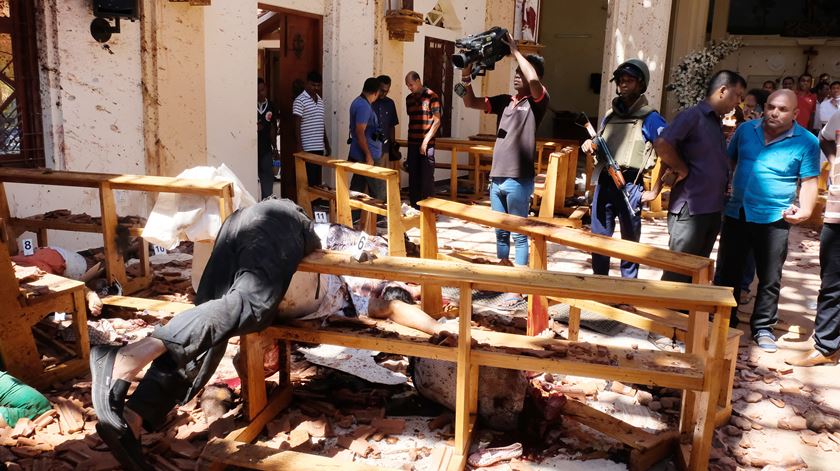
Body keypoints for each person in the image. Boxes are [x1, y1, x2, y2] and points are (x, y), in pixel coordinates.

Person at [89, 198, 321, 470]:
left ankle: (134, 415)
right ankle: (127, 357)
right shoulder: (304, 229)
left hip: (237, 224)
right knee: (253, 305)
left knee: (207, 340)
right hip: (280, 218)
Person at [717, 90, 821, 353]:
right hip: (737, 211)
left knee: (769, 276)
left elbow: (809, 181)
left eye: (783, 109)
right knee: (728, 270)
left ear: (796, 114)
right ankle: (722, 320)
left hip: (775, 216)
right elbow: (729, 161)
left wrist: (807, 210)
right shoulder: (745, 130)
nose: (775, 112)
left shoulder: (807, 142)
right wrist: (723, 185)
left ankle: (763, 327)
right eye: (771, 107)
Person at [459, 32, 549, 269]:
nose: (517, 77)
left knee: (519, 233)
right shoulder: (504, 101)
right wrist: (466, 74)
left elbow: (535, 83)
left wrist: (515, 52)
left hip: (518, 180)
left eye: (521, 73)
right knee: (500, 232)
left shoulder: (537, 102)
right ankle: (503, 272)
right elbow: (470, 102)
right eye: (515, 74)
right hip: (497, 178)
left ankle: (519, 283)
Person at [653, 70, 746, 282]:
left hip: (711, 208)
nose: (739, 102)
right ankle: (667, 312)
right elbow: (662, 143)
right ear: (723, 91)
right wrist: (681, 168)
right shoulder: (692, 116)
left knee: (697, 271)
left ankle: (686, 312)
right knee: (678, 271)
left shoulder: (716, 121)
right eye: (737, 95)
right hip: (691, 209)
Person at [581, 59, 666, 279]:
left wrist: (655, 191)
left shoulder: (650, 118)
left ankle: (628, 293)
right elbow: (600, 141)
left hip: (630, 184)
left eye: (630, 80)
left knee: (629, 245)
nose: (624, 84)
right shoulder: (610, 115)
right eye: (621, 81)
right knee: (599, 240)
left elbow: (669, 152)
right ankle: (599, 288)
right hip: (604, 181)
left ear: (641, 85)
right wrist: (590, 145)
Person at [786, 110, 840, 366]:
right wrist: (836, 159)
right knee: (832, 282)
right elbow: (826, 137)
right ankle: (827, 347)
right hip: (837, 211)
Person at [11, 246, 104, 316]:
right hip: (53, 255)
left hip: (68, 263)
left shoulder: (39, 270)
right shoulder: (16, 264)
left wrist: (90, 294)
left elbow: (67, 284)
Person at [404, 71, 442, 207]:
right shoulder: (409, 99)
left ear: (418, 81)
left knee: (426, 177)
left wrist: (425, 141)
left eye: (411, 84)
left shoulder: (432, 96)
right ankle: (415, 207)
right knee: (413, 176)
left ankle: (429, 208)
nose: (410, 87)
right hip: (412, 143)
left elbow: (437, 121)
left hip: (428, 143)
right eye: (407, 85)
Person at [347, 77, 386, 202]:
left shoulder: (358, 102)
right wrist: (368, 155)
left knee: (357, 189)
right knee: (379, 190)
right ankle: (380, 218)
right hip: (368, 155)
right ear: (375, 93)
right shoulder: (364, 106)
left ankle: (353, 215)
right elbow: (360, 132)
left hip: (361, 153)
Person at [293, 71, 331, 187]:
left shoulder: (320, 100)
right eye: (313, 85)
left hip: (319, 147)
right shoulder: (299, 100)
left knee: (316, 181)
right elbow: (296, 125)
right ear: (307, 84)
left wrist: (326, 143)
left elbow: (320, 122)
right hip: (307, 148)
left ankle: (315, 204)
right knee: (307, 180)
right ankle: (306, 204)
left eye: (318, 85)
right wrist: (300, 146)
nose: (316, 88)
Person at [257, 78, 279, 200]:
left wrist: (275, 147)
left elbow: (273, 127)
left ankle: (266, 206)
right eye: (258, 91)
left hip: (266, 149)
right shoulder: (249, 106)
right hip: (252, 149)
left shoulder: (271, 106)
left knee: (267, 179)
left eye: (262, 90)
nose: (260, 93)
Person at [372, 75, 400, 166]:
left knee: (384, 178)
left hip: (385, 149)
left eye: (387, 91)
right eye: (382, 91)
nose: (384, 94)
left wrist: (392, 146)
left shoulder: (390, 103)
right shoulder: (369, 102)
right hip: (370, 149)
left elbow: (392, 126)